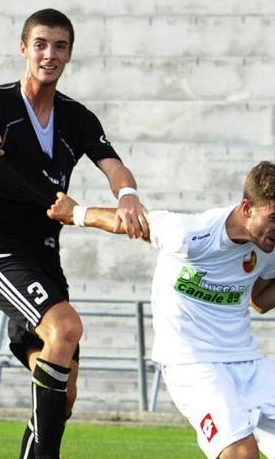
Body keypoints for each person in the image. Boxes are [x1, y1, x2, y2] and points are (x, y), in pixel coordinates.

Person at [0, 9, 149, 459]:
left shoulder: (77, 117)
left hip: (45, 256)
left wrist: (127, 195)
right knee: (66, 326)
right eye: (42, 44)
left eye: (60, 46)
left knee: (63, 396)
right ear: (24, 47)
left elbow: (113, 164)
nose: (50, 55)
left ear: (70, 53)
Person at [46, 160, 275, 459]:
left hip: (247, 360)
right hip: (193, 363)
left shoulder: (267, 245)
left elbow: (258, 300)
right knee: (240, 453)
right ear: (247, 208)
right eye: (273, 217)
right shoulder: (191, 234)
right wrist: (75, 213)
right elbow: (129, 221)